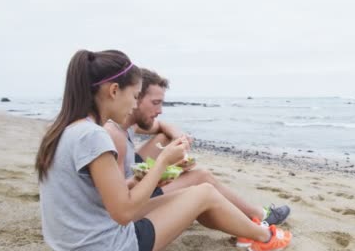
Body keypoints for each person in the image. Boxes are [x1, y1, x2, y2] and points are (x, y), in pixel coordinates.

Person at [35, 50, 292, 251]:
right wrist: (162, 162)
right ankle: (265, 238)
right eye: (134, 96)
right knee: (203, 192)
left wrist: (136, 182)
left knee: (198, 189)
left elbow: (96, 196)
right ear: (114, 91)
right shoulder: (94, 136)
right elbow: (122, 214)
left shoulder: (65, 129)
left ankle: (251, 230)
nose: (135, 104)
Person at [103, 68, 290, 226]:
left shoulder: (127, 124)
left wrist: (178, 139)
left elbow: (161, 126)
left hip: (131, 179)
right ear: (135, 98)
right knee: (202, 176)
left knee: (164, 136)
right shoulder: (112, 134)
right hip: (130, 200)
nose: (160, 110)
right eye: (155, 103)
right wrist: (159, 169)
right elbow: (119, 200)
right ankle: (259, 215)